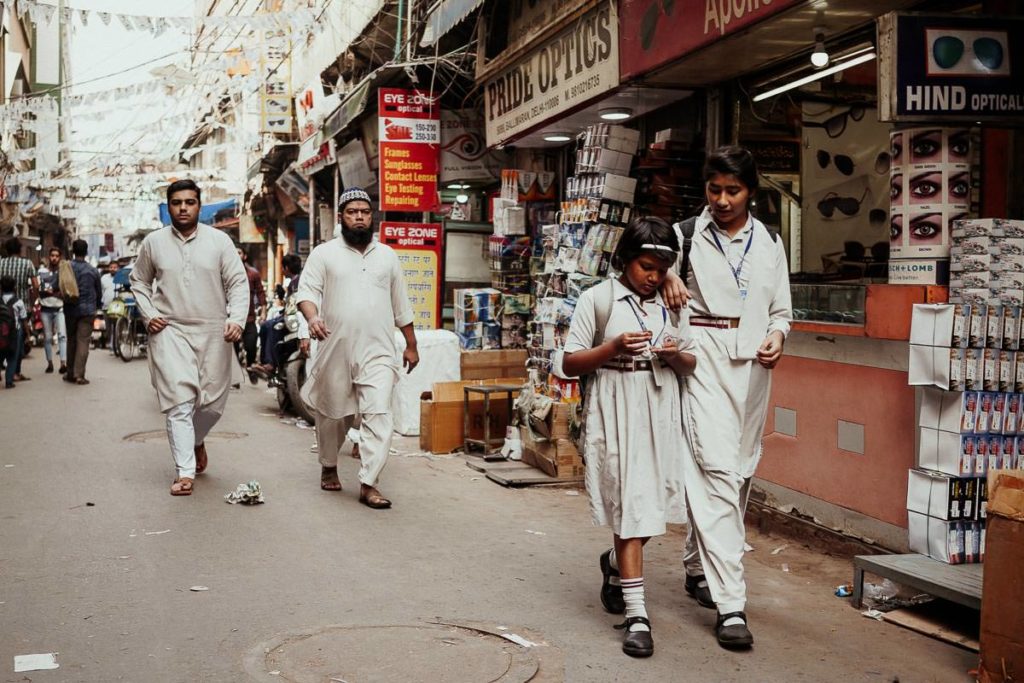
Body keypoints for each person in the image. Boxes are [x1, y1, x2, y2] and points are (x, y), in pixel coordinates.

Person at [660, 146, 793, 649]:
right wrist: (669, 272)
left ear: (751, 192)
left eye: (732, 190)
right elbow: (637, 266)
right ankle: (731, 604)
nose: (721, 199)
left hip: (754, 367)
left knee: (737, 473)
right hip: (703, 359)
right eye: (714, 190)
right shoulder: (684, 236)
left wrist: (778, 336)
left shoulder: (771, 242)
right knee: (714, 469)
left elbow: (781, 309)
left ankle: (697, 567)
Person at [561, 216, 696, 658]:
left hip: (660, 407)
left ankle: (617, 565)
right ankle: (637, 615)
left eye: (661, 269)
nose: (653, 278)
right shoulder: (597, 299)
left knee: (650, 505)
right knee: (629, 505)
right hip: (615, 407)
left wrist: (675, 355)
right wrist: (613, 347)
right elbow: (570, 363)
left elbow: (692, 362)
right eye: (645, 267)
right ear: (623, 260)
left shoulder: (672, 302)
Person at [297, 187, 418, 509]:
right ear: (342, 217)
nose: (360, 217)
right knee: (332, 414)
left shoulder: (387, 256)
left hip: (378, 351)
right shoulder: (324, 254)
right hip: (335, 348)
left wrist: (411, 345)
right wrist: (311, 319)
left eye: (365, 212)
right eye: (353, 212)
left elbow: (401, 304)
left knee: (379, 413)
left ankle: (369, 483)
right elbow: (306, 293)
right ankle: (328, 464)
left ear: (372, 216)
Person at [130, 179, 249, 496]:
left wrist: (236, 319)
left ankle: (196, 440)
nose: (183, 208)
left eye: (189, 202)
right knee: (179, 403)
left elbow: (238, 283)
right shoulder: (153, 243)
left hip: (214, 330)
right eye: (177, 202)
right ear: (168, 207)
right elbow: (139, 282)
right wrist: (149, 313)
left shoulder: (220, 241)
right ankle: (184, 472)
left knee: (211, 405)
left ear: (199, 205)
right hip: (170, 329)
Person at [251, 253, 305, 379]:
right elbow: (290, 303)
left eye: (282, 267)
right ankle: (266, 362)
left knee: (272, 326)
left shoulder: (299, 281)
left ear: (286, 268)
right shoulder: (293, 282)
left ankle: (270, 363)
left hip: (297, 317)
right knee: (265, 326)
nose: (282, 270)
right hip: (290, 315)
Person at [63, 239, 103, 386]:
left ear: (73, 251)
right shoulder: (93, 271)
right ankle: (79, 375)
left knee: (71, 340)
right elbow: (98, 292)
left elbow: (58, 285)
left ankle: (70, 373)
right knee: (83, 342)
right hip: (88, 310)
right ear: (86, 252)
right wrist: (97, 305)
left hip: (70, 309)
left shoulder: (67, 268)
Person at [0, 237, 39, 382]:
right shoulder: (27, 263)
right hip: (22, 306)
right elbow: (35, 285)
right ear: (19, 249)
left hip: (1, 307)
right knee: (17, 340)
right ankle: (15, 372)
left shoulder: (1, 263)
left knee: (1, 336)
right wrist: (33, 300)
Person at [38, 248, 68, 374]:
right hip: (45, 308)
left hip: (59, 308)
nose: (54, 258)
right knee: (48, 337)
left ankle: (63, 363)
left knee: (62, 335)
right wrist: (46, 292)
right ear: (49, 257)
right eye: (52, 255)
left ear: (60, 257)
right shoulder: (42, 272)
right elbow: (37, 288)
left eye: (56, 255)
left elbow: (67, 288)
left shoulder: (63, 272)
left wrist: (59, 293)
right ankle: (49, 363)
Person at [236, 247, 266, 370]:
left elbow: (260, 293)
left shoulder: (253, 274)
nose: (236, 255)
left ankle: (250, 367)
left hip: (249, 317)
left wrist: (263, 311)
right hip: (231, 317)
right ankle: (235, 376)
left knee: (251, 345)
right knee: (232, 348)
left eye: (239, 252)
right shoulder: (224, 273)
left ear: (245, 256)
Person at [1, 275, 32, 389]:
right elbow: (24, 320)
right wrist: (28, 335)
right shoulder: (18, 302)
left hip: (1, 332)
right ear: (14, 288)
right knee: (13, 356)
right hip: (15, 332)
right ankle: (9, 381)